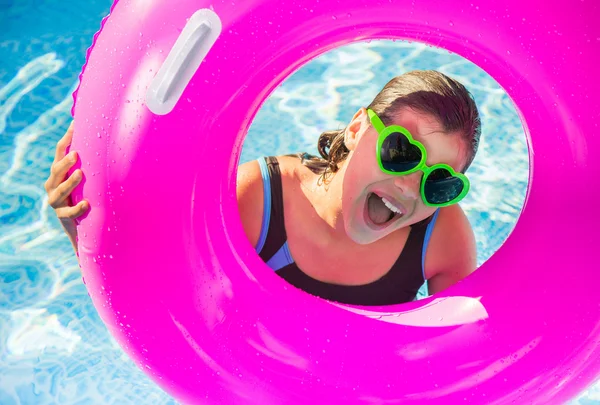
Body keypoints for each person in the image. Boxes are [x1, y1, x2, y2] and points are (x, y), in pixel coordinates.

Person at [46, 70, 481, 306]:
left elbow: (462, 361)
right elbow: (154, 301)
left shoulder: (441, 239)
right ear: (355, 129)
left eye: (440, 182)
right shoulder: (258, 201)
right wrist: (79, 226)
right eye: (402, 151)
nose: (410, 184)